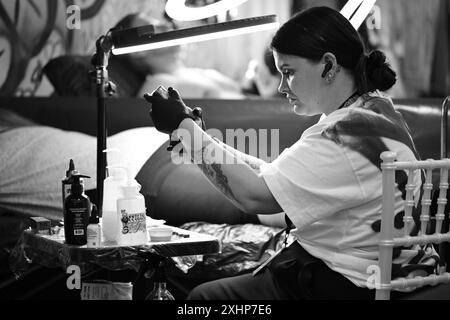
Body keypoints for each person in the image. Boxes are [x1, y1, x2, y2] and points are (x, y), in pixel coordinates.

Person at [144, 6, 438, 300]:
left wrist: (186, 130)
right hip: (390, 274)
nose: (282, 87)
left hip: (347, 285)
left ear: (329, 65)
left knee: (203, 300)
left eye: (289, 72)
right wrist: (202, 137)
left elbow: (254, 196)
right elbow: (269, 176)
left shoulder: (342, 136)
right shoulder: (374, 110)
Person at [110, 13, 244, 99]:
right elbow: (141, 129)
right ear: (138, 51)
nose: (167, 25)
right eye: (154, 27)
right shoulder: (160, 85)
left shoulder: (200, 73)